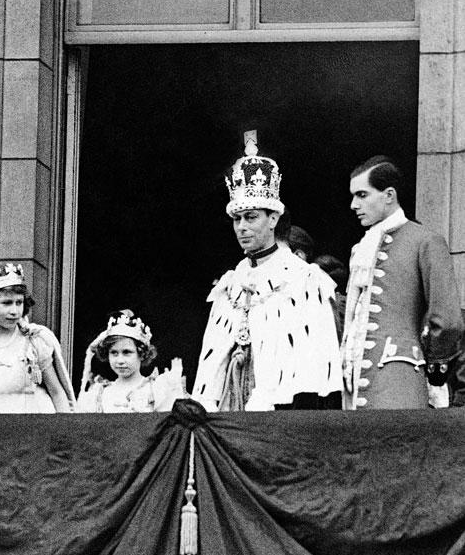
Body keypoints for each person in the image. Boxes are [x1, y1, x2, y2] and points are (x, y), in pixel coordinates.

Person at [193, 133, 342, 411]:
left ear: (273, 218)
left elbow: (314, 370)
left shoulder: (303, 280)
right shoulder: (230, 284)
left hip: (283, 415)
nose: (242, 227)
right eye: (237, 219)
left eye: (251, 217)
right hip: (231, 410)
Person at [341, 156, 463, 409]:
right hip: (354, 386)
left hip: (399, 380)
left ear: (389, 195)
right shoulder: (361, 248)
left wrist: (435, 367)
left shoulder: (425, 241)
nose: (354, 204)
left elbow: (448, 320)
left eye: (362, 195)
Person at [0, 263, 75, 413]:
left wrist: (64, 430)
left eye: (19, 303)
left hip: (30, 419)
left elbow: (57, 392)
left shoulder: (34, 340)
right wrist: (7, 386)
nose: (14, 311)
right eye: (6, 303)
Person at [77, 309, 185, 413]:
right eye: (114, 353)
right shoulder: (99, 394)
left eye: (127, 352)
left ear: (142, 354)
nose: (120, 360)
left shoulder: (155, 390)